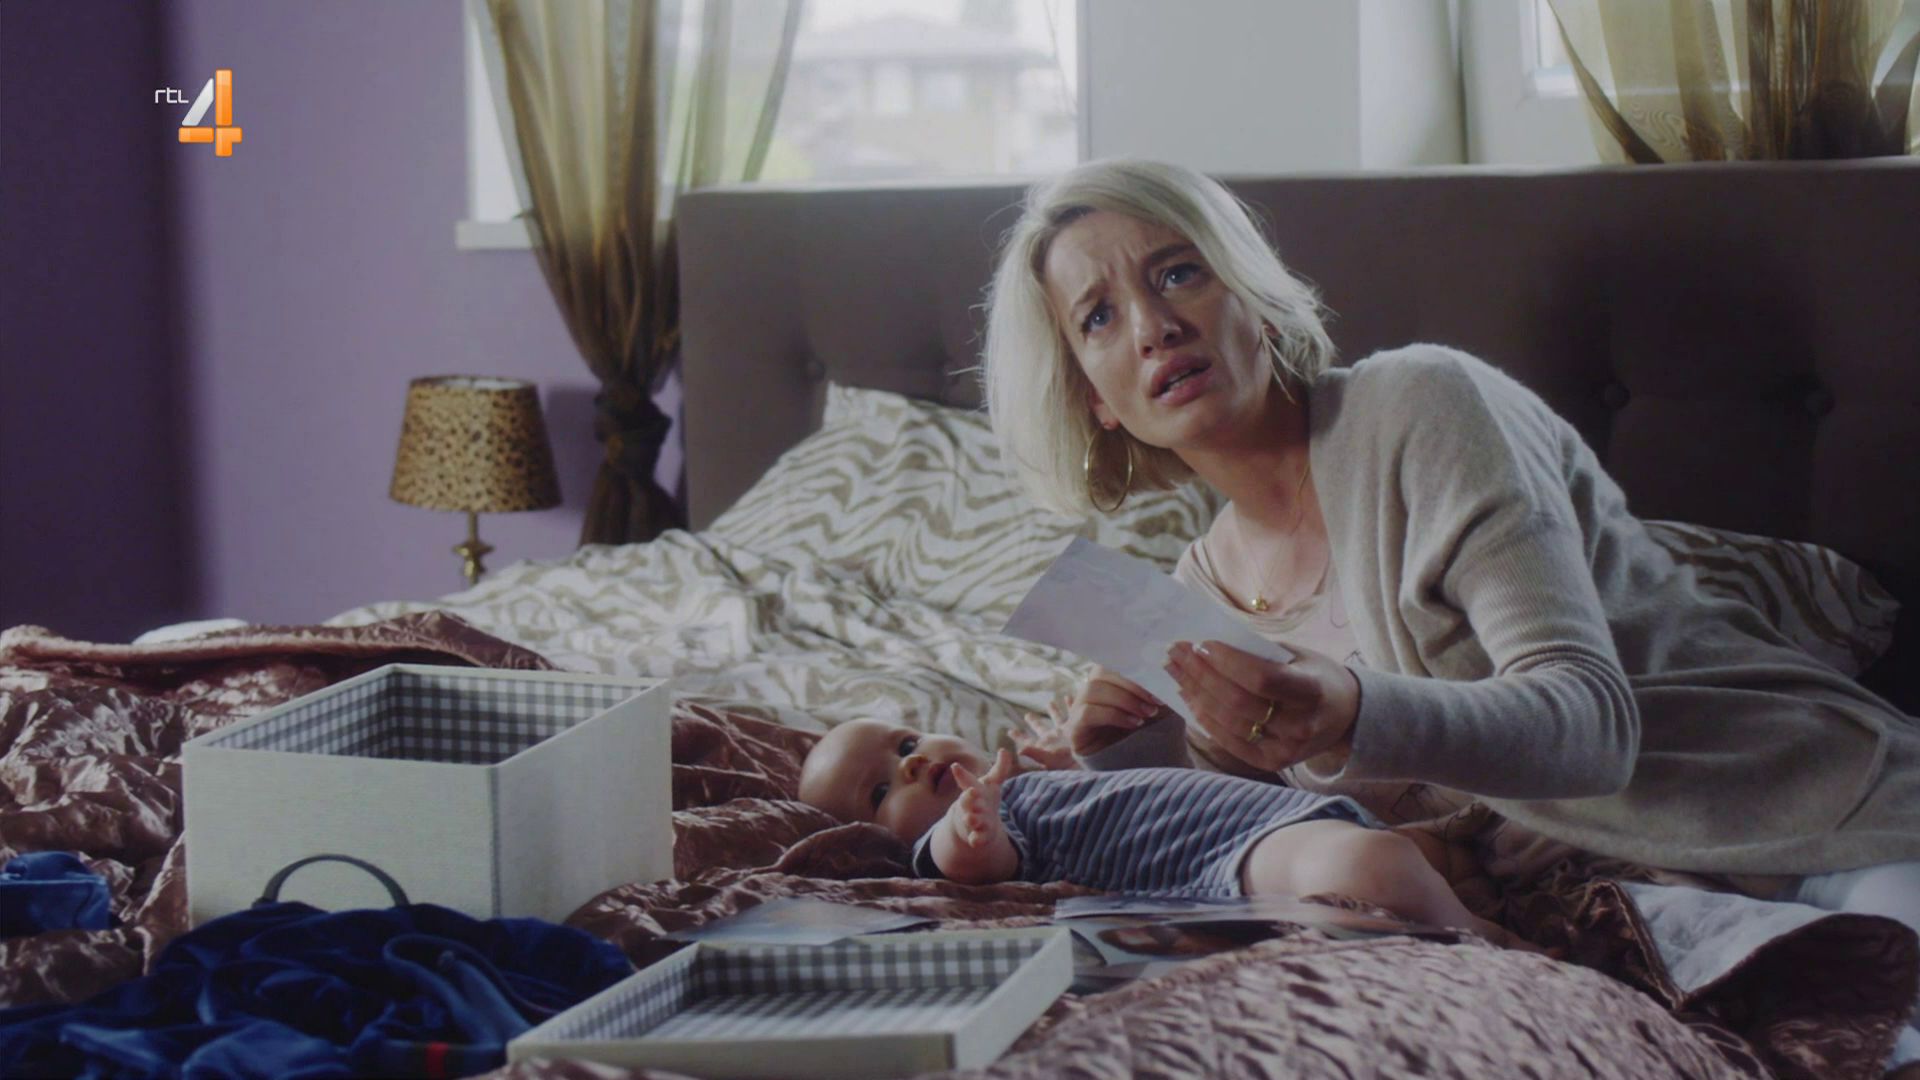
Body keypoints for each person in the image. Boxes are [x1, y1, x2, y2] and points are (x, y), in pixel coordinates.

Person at [976, 157, 1920, 1072]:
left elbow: (1594, 727)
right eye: (1099, 317)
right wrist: (1138, 754)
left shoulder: (1421, 406)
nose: (1154, 327)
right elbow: (1299, 837)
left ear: (1250, 293)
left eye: (1179, 272)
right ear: (1095, 397)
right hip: (1625, 917)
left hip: (1799, 824)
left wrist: (1353, 711)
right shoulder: (1196, 591)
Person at [794, 718, 1525, 948]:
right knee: (1370, 871)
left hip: (1279, 817)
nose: (910, 762)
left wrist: (1066, 758)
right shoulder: (946, 835)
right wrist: (970, 826)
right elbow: (966, 864)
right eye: (881, 790)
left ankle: (1451, 885)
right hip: (1235, 857)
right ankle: (1484, 937)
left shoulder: (1027, 783)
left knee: (1413, 853)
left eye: (905, 741)